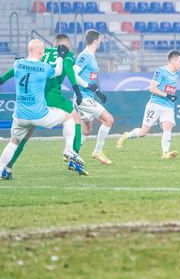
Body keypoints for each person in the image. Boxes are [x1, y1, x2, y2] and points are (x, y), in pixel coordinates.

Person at [0, 34, 86, 178]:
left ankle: (6, 169)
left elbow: (7, 75)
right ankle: (71, 153)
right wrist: (76, 89)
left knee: (16, 141)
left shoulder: (19, 63)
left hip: (21, 114)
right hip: (45, 104)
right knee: (72, 118)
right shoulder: (52, 63)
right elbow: (63, 70)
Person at [116, 50, 180, 159]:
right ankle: (127, 135)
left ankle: (165, 153)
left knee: (168, 127)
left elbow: (169, 89)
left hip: (168, 106)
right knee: (143, 133)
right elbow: (152, 88)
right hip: (155, 104)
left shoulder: (177, 74)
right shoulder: (161, 71)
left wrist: (170, 97)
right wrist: (167, 95)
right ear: (173, 61)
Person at [74, 29, 113, 165]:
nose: (100, 43)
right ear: (96, 41)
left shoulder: (91, 56)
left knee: (86, 130)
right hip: (83, 97)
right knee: (109, 120)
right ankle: (98, 151)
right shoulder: (85, 55)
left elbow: (90, 79)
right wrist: (87, 86)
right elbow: (73, 73)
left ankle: (72, 155)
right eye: (99, 40)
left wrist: (97, 92)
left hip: (87, 96)